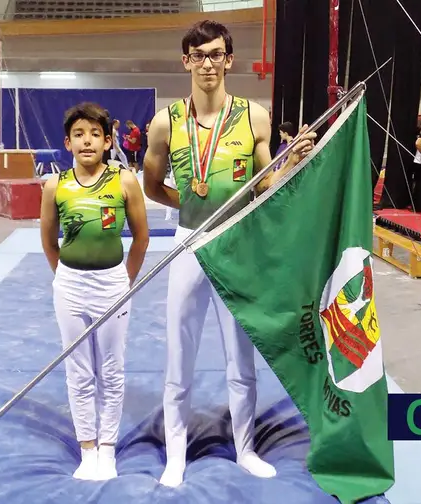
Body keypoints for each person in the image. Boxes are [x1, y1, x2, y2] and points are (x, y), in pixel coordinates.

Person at [141, 20, 315, 488]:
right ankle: (175, 454)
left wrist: (293, 159)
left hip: (239, 247)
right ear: (186, 62)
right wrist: (193, 202)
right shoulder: (165, 122)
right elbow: (151, 184)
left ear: (229, 59)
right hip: (188, 243)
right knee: (180, 354)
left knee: (240, 355)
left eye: (216, 54)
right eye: (198, 55)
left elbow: (268, 184)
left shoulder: (255, 117)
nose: (208, 63)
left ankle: (246, 448)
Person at [39, 102, 150, 481]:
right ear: (67, 142)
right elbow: (48, 241)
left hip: (112, 283)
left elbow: (141, 238)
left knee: (112, 370)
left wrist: (124, 281)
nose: (87, 141)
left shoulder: (124, 181)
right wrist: (66, 278)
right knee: (79, 370)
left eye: (95, 134)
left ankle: (108, 448)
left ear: (107, 141)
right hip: (69, 284)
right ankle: (87, 448)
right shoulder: (56, 184)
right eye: (79, 135)